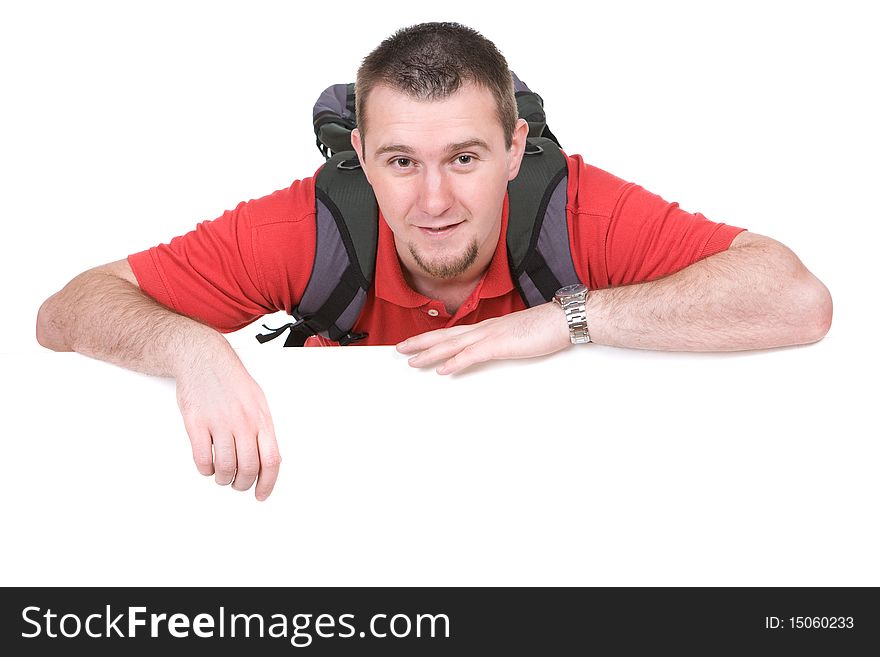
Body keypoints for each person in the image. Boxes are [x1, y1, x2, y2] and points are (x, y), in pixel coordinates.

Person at [35, 22, 832, 502]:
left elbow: (794, 298)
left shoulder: (577, 211)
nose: (435, 200)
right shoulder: (308, 227)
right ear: (360, 155)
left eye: (465, 156)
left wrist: (570, 319)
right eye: (401, 162)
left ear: (517, 150)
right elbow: (66, 309)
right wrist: (191, 347)